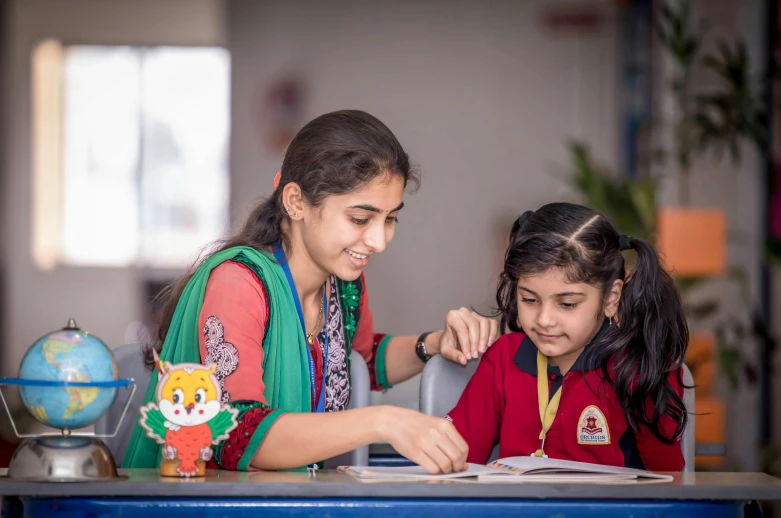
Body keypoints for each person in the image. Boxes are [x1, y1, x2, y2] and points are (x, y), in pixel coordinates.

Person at [123, 110, 498, 474]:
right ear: (296, 202)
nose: (378, 240)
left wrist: (434, 343)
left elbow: (358, 363)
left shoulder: (345, 284)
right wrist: (383, 422)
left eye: (391, 219)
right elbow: (238, 435)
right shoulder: (238, 284)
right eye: (360, 219)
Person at [446, 203, 689, 471]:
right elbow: (456, 460)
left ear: (611, 298)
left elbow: (668, 482)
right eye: (529, 299)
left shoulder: (639, 366)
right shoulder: (503, 358)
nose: (544, 320)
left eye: (568, 304)